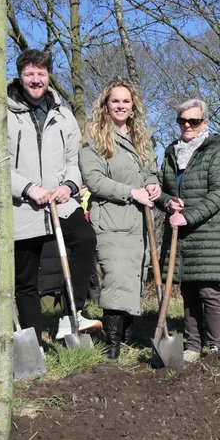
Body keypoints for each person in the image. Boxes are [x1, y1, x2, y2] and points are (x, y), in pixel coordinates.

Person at [7, 48, 100, 343]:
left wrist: (69, 187)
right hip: (22, 205)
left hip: (60, 202)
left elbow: (74, 161)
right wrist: (27, 189)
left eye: (41, 73)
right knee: (25, 278)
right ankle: (35, 342)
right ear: (20, 76)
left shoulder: (64, 115)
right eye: (30, 73)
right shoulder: (2, 113)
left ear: (49, 76)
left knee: (85, 239)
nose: (36, 79)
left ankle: (71, 314)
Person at [79, 80, 161, 359]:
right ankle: (112, 346)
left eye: (126, 101)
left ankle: (125, 338)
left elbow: (150, 172)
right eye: (115, 101)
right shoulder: (95, 138)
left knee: (133, 278)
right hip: (111, 220)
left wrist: (152, 185)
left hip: (139, 222)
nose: (121, 106)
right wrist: (131, 192)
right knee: (116, 279)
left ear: (133, 105)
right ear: (106, 104)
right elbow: (95, 180)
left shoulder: (141, 137)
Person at [160, 99, 220, 362]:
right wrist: (167, 202)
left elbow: (219, 193)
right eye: (183, 121)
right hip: (180, 234)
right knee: (188, 290)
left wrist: (188, 216)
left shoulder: (215, 150)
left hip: (207, 232)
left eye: (195, 121)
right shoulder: (171, 152)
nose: (188, 125)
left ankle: (217, 346)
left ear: (205, 123)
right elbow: (162, 188)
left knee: (208, 292)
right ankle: (193, 345)